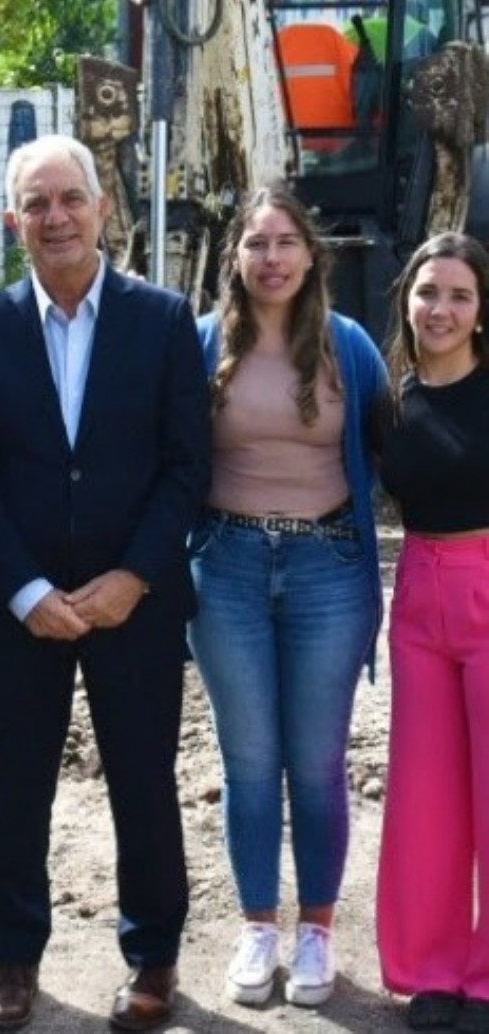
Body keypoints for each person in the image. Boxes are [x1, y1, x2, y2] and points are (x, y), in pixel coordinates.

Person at [0, 134, 210, 1031]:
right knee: (18, 782)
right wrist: (23, 591)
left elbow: (187, 466)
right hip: (22, 610)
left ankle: (153, 960)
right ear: (14, 219)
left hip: (136, 602)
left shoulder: (165, 319)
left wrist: (134, 576)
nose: (55, 216)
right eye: (36, 203)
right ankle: (13, 961)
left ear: (102, 209)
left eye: (71, 198)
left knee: (143, 778)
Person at [188, 183, 386, 1008]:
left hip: (326, 569)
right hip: (226, 567)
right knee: (248, 762)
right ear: (236, 258)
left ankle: (316, 933)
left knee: (316, 763)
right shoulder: (203, 346)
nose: (271, 258)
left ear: (311, 255)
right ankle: (258, 926)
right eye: (256, 244)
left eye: (285, 243)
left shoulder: (350, 346)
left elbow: (406, 442)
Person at [375, 232, 489, 1034]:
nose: (440, 309)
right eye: (428, 293)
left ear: (481, 311)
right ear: (406, 300)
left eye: (459, 295)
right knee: (427, 795)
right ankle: (434, 969)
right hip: (417, 596)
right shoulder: (391, 402)